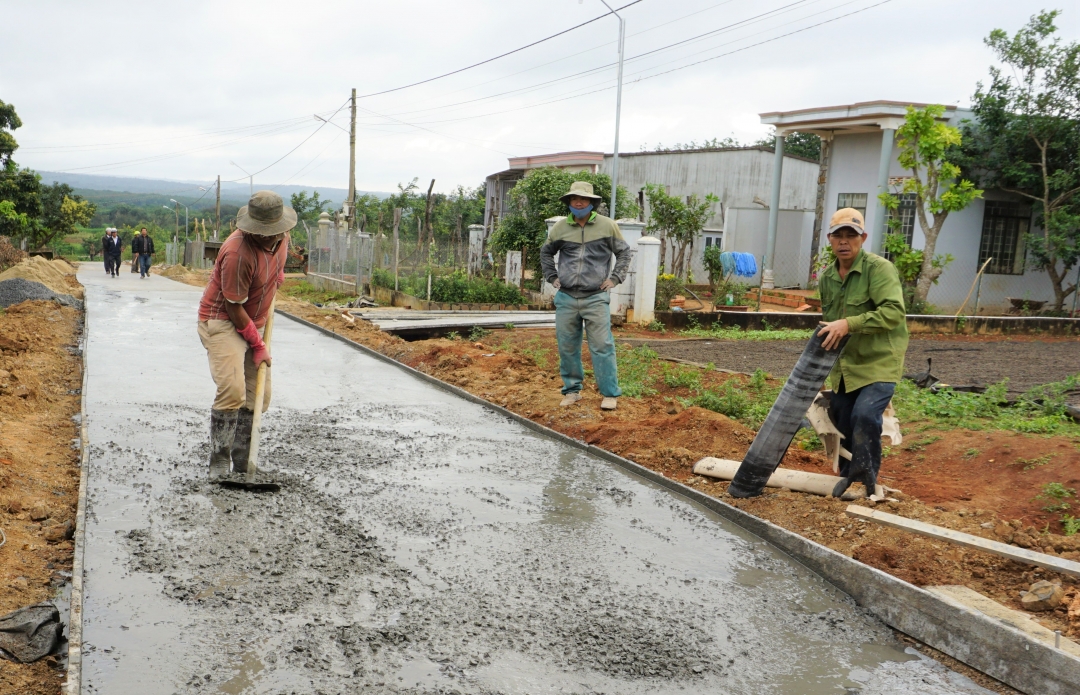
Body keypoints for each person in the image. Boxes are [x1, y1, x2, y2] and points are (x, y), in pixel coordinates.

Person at [197, 190, 292, 480]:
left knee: (259, 396)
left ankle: (242, 458)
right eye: (260, 232)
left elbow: (277, 270)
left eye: (271, 232)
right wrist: (258, 343)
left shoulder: (283, 238)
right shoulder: (238, 252)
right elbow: (233, 307)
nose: (266, 236)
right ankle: (218, 460)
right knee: (233, 390)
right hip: (223, 320)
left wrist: (276, 276)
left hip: (256, 319)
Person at [817, 208, 909, 498]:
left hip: (879, 360)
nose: (844, 241)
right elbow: (829, 327)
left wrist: (850, 323)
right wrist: (817, 371)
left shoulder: (879, 269)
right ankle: (849, 478)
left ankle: (867, 476)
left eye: (851, 236)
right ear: (830, 239)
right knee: (842, 419)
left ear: (863, 238)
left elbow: (893, 313)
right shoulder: (828, 277)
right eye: (838, 236)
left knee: (866, 416)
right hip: (847, 365)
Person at [540, 181, 631, 411]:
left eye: (583, 199)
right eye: (574, 199)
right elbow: (546, 253)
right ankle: (572, 391)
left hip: (595, 297)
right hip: (567, 298)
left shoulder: (607, 226)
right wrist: (552, 277)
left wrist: (615, 278)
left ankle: (609, 394)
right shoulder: (560, 228)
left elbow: (623, 252)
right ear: (569, 202)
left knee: (602, 345)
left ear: (592, 203)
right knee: (567, 346)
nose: (578, 203)